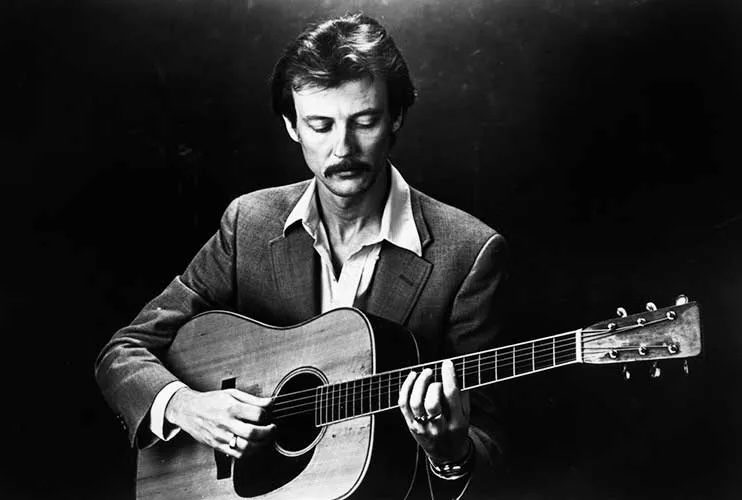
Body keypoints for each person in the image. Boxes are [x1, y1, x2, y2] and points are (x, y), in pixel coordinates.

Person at [95, 13, 508, 499]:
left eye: (365, 121)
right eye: (320, 125)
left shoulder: (469, 253)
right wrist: (185, 405)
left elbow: (492, 450)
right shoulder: (249, 224)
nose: (343, 148)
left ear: (396, 117)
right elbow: (124, 353)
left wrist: (449, 454)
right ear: (292, 126)